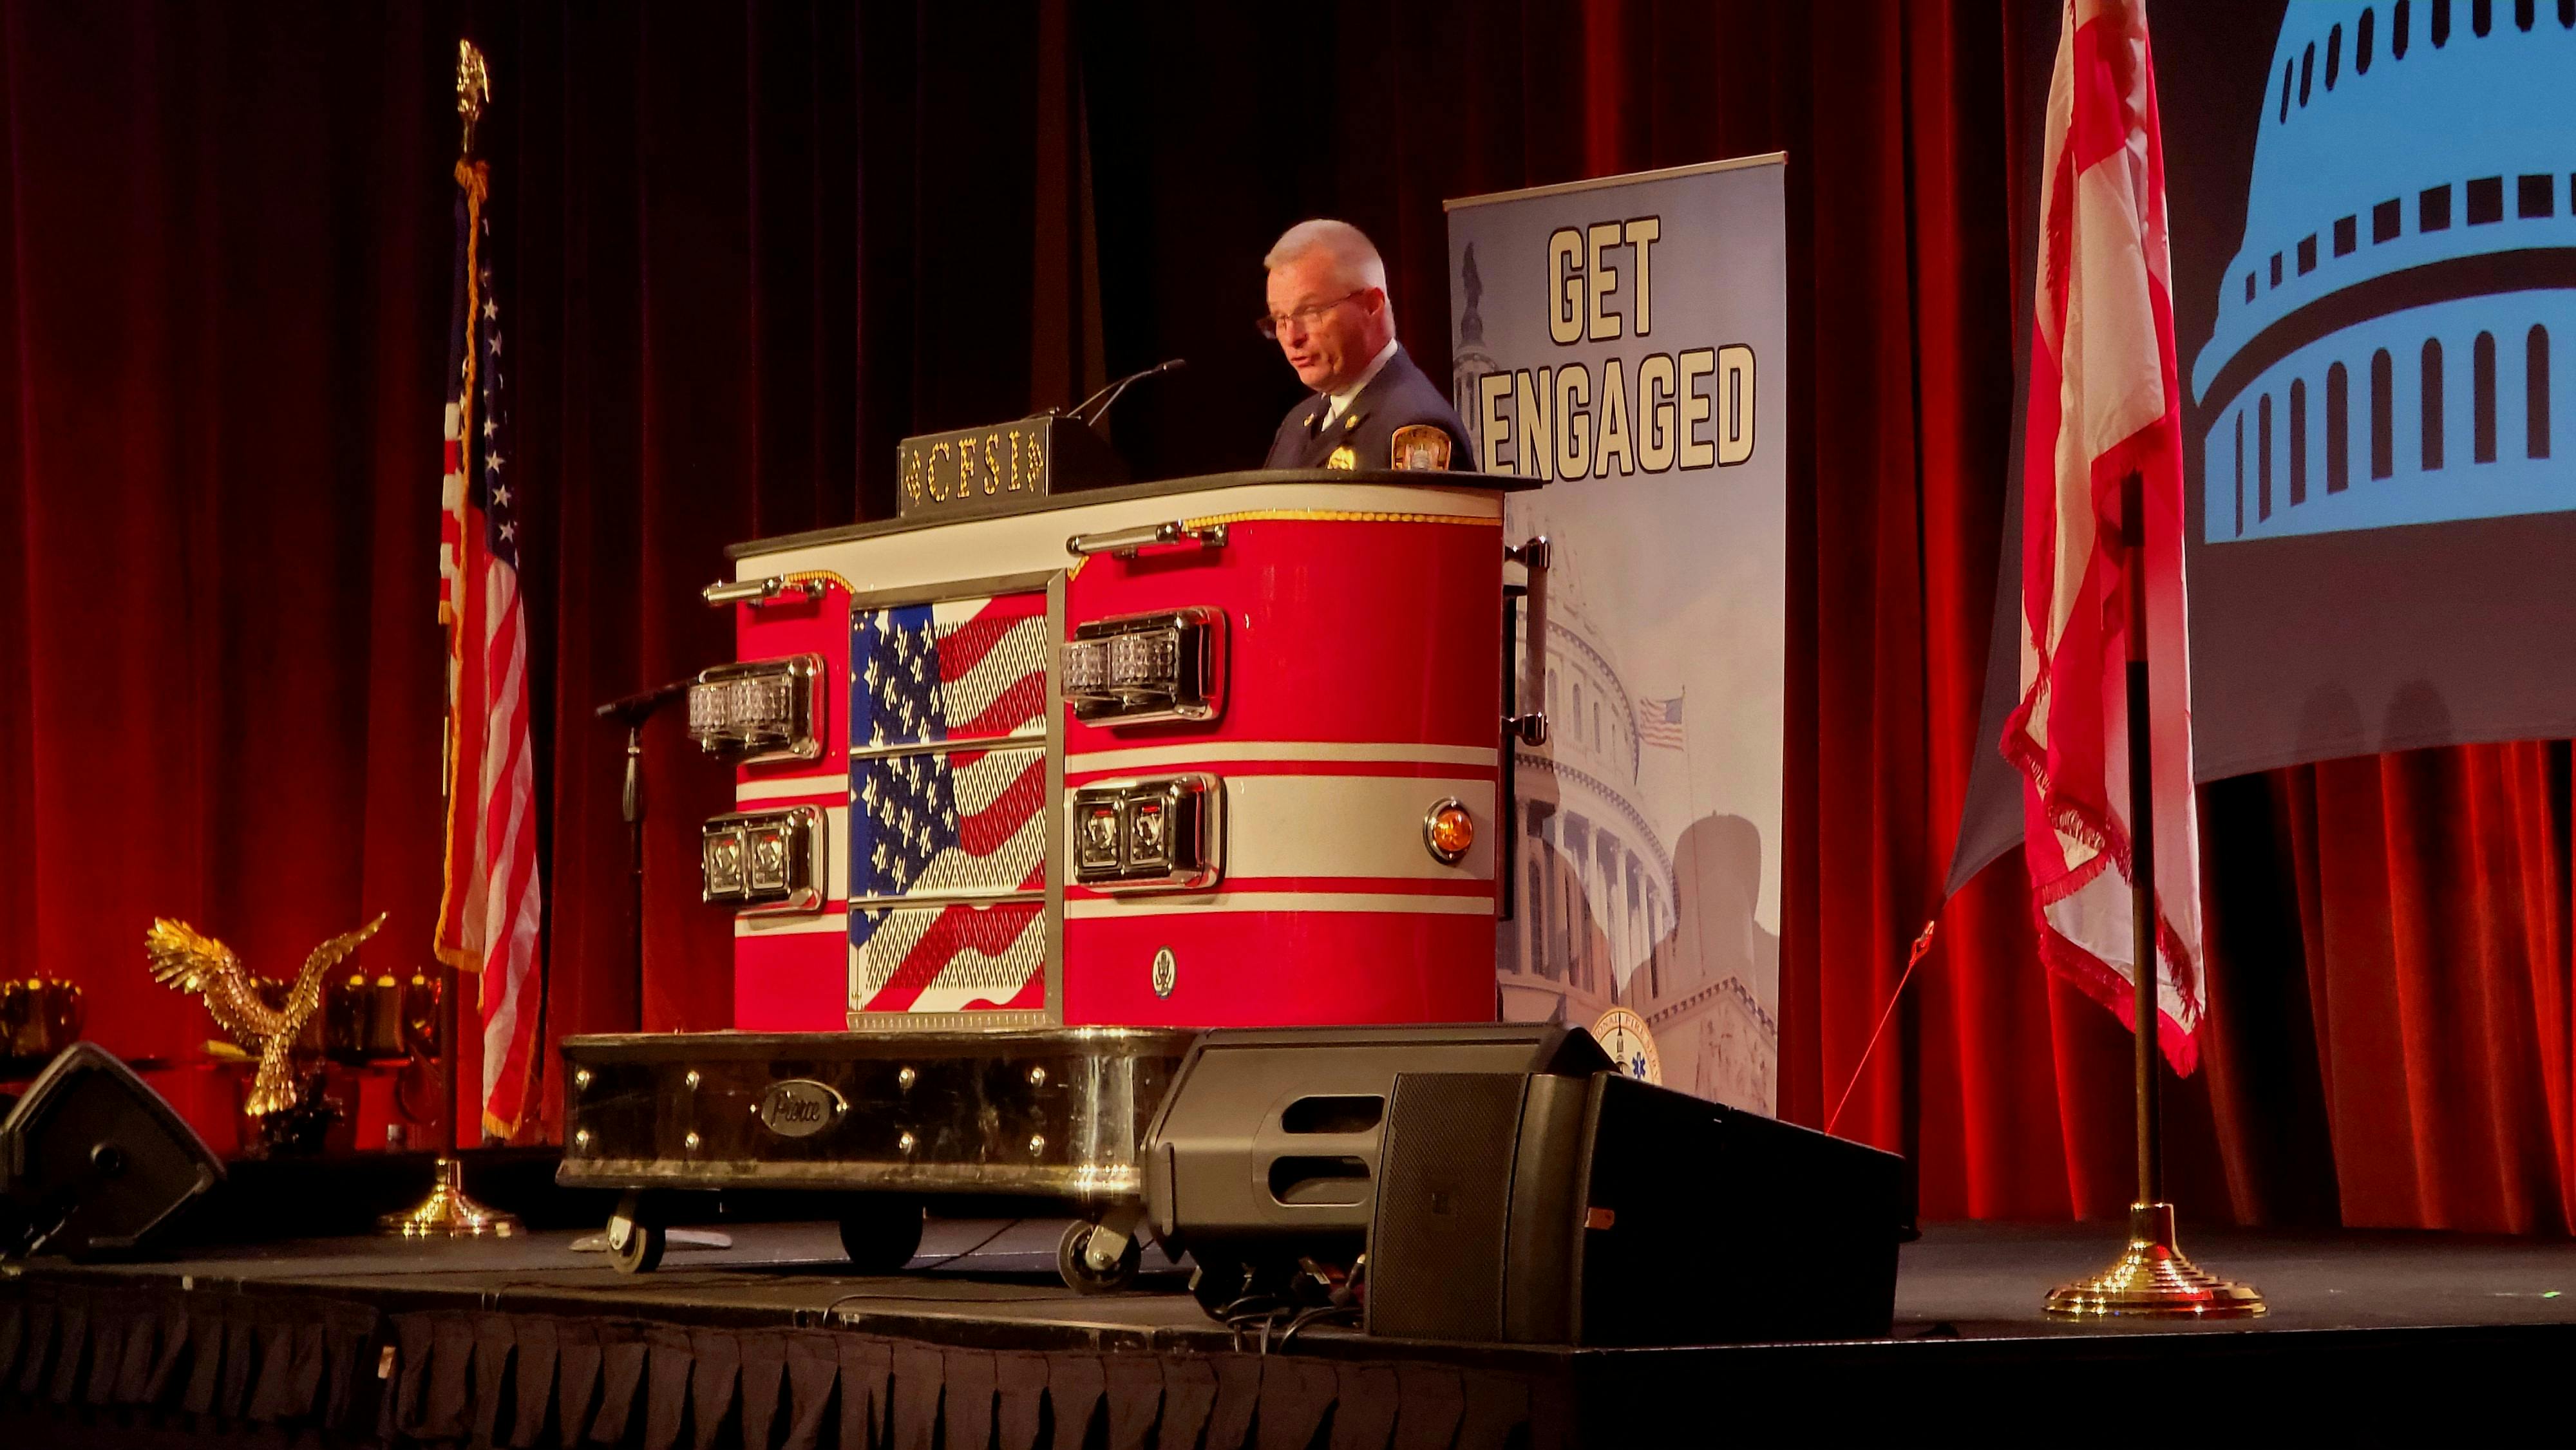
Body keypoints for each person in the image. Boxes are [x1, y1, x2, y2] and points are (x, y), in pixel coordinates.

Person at [1258, 220, 1470, 471]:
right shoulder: (1296, 425)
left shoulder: (1414, 429)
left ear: (1371, 305)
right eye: (1281, 318)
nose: (1292, 337)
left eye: (1311, 312)